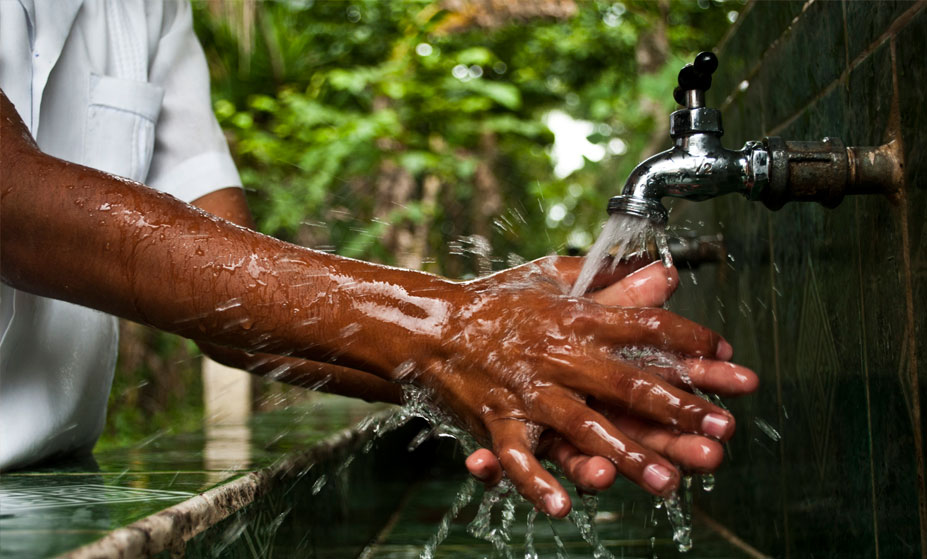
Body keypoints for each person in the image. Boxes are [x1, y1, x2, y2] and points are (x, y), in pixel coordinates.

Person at [0, 0, 757, 518]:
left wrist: (491, 343)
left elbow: (227, 309)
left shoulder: (150, 9)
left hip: (51, 483)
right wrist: (451, 329)